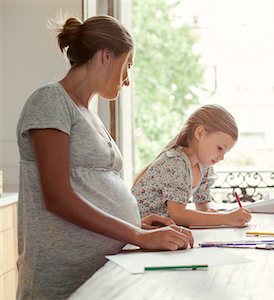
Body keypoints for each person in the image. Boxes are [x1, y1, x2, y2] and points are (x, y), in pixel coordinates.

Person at [16, 15, 193, 300]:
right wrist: (137, 236)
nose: (127, 80)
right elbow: (58, 196)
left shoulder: (89, 113)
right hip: (64, 278)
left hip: (104, 270)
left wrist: (136, 223)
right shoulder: (51, 100)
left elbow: (89, 187)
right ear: (106, 56)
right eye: (128, 66)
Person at [132, 105, 252, 227]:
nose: (221, 157)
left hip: (160, 230)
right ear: (199, 133)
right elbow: (178, 215)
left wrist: (215, 214)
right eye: (220, 148)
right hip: (139, 230)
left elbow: (203, 205)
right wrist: (227, 218)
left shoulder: (204, 166)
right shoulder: (175, 163)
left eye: (225, 152)